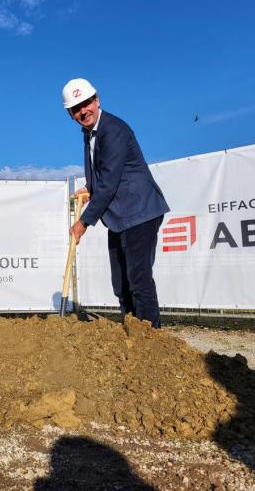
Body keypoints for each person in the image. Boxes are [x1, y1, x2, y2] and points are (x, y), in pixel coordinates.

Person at [62, 78, 169, 328]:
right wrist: (90, 188)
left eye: (87, 103)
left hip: (139, 211)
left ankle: (151, 337)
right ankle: (129, 332)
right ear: (70, 114)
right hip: (121, 217)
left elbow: (110, 182)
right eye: (76, 108)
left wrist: (84, 222)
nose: (83, 111)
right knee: (120, 282)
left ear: (97, 100)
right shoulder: (89, 133)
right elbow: (105, 173)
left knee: (138, 280)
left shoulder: (113, 129)